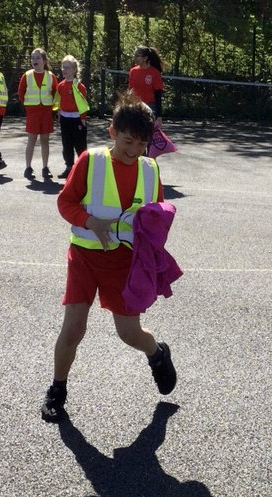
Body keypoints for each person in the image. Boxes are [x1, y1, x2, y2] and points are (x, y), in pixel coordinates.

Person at [41, 94, 176, 423]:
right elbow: (65, 203)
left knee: (129, 334)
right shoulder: (90, 160)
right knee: (74, 327)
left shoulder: (149, 168)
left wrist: (153, 253)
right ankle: (57, 390)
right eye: (128, 141)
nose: (134, 151)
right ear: (112, 132)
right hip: (85, 258)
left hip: (124, 264)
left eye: (142, 144)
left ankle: (157, 353)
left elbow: (154, 218)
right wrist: (91, 222)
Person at [18, 47, 57, 180]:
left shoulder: (51, 77)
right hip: (33, 112)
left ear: (44, 61)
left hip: (46, 112)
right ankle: (28, 168)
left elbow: (55, 94)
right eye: (32, 58)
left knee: (45, 140)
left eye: (37, 58)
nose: (34, 60)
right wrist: (28, 106)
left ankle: (45, 168)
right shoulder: (27, 76)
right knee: (32, 140)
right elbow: (21, 93)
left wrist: (54, 110)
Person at [55, 55, 90, 179]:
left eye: (68, 68)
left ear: (74, 69)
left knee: (80, 145)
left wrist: (83, 119)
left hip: (77, 119)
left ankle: (84, 169)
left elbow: (83, 104)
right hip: (65, 119)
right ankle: (69, 167)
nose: (64, 70)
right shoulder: (61, 86)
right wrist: (59, 111)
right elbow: (58, 101)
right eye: (63, 67)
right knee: (67, 144)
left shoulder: (79, 86)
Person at [128, 46, 164, 127]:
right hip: (135, 106)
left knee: (148, 133)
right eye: (135, 56)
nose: (135, 58)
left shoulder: (155, 73)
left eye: (138, 56)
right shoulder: (133, 71)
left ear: (145, 58)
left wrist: (159, 116)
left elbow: (158, 94)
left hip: (150, 107)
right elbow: (130, 90)